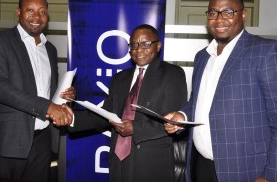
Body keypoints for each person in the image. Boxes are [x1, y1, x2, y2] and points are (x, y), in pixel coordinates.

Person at [164, 0, 277, 182]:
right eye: (213, 13)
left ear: (243, 15)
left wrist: (273, 176)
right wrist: (183, 116)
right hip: (200, 166)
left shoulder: (267, 51)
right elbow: (198, 101)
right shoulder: (203, 56)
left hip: (246, 170)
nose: (219, 19)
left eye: (228, 12)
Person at [69, 24, 188, 182]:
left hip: (150, 162)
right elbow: (106, 113)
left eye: (146, 44)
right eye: (134, 45)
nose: (138, 50)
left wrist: (135, 128)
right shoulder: (120, 78)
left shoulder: (172, 74)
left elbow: (172, 121)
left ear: (158, 46)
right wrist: (72, 118)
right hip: (119, 159)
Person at [0, 0, 75, 182]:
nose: (37, 17)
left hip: (42, 141)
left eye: (42, 12)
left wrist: (63, 96)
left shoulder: (50, 49)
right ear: (18, 12)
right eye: (30, 10)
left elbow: (47, 91)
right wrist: (47, 107)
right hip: (6, 141)